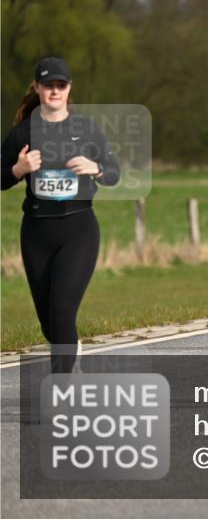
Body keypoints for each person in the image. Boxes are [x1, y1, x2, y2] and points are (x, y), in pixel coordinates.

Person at [1, 57, 120, 373]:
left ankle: (61, 393)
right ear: (38, 88)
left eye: (60, 85)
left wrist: (95, 168)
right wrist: (18, 169)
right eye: (48, 85)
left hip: (78, 230)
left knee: (63, 310)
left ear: (69, 89)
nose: (54, 90)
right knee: (49, 322)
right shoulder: (21, 134)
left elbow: (114, 173)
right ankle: (71, 353)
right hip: (36, 233)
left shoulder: (87, 130)